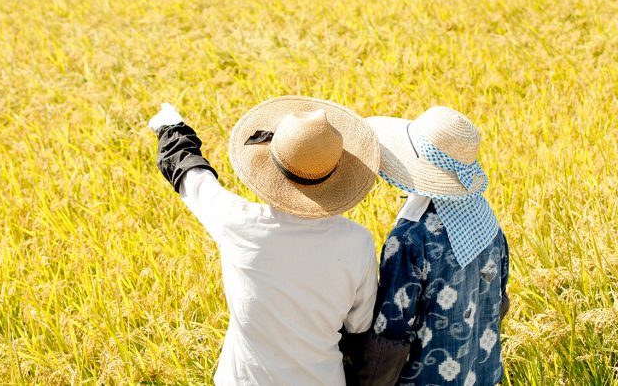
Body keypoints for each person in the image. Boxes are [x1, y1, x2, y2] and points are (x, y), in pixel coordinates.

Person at [147, 96, 380, 386]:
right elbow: (361, 326)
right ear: (336, 174)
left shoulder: (239, 223)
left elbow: (193, 179)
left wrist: (171, 128)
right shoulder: (357, 243)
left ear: (271, 165)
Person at [348, 106, 510, 385]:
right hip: (481, 373)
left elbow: (390, 333)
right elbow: (499, 299)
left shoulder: (411, 238)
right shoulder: (485, 218)